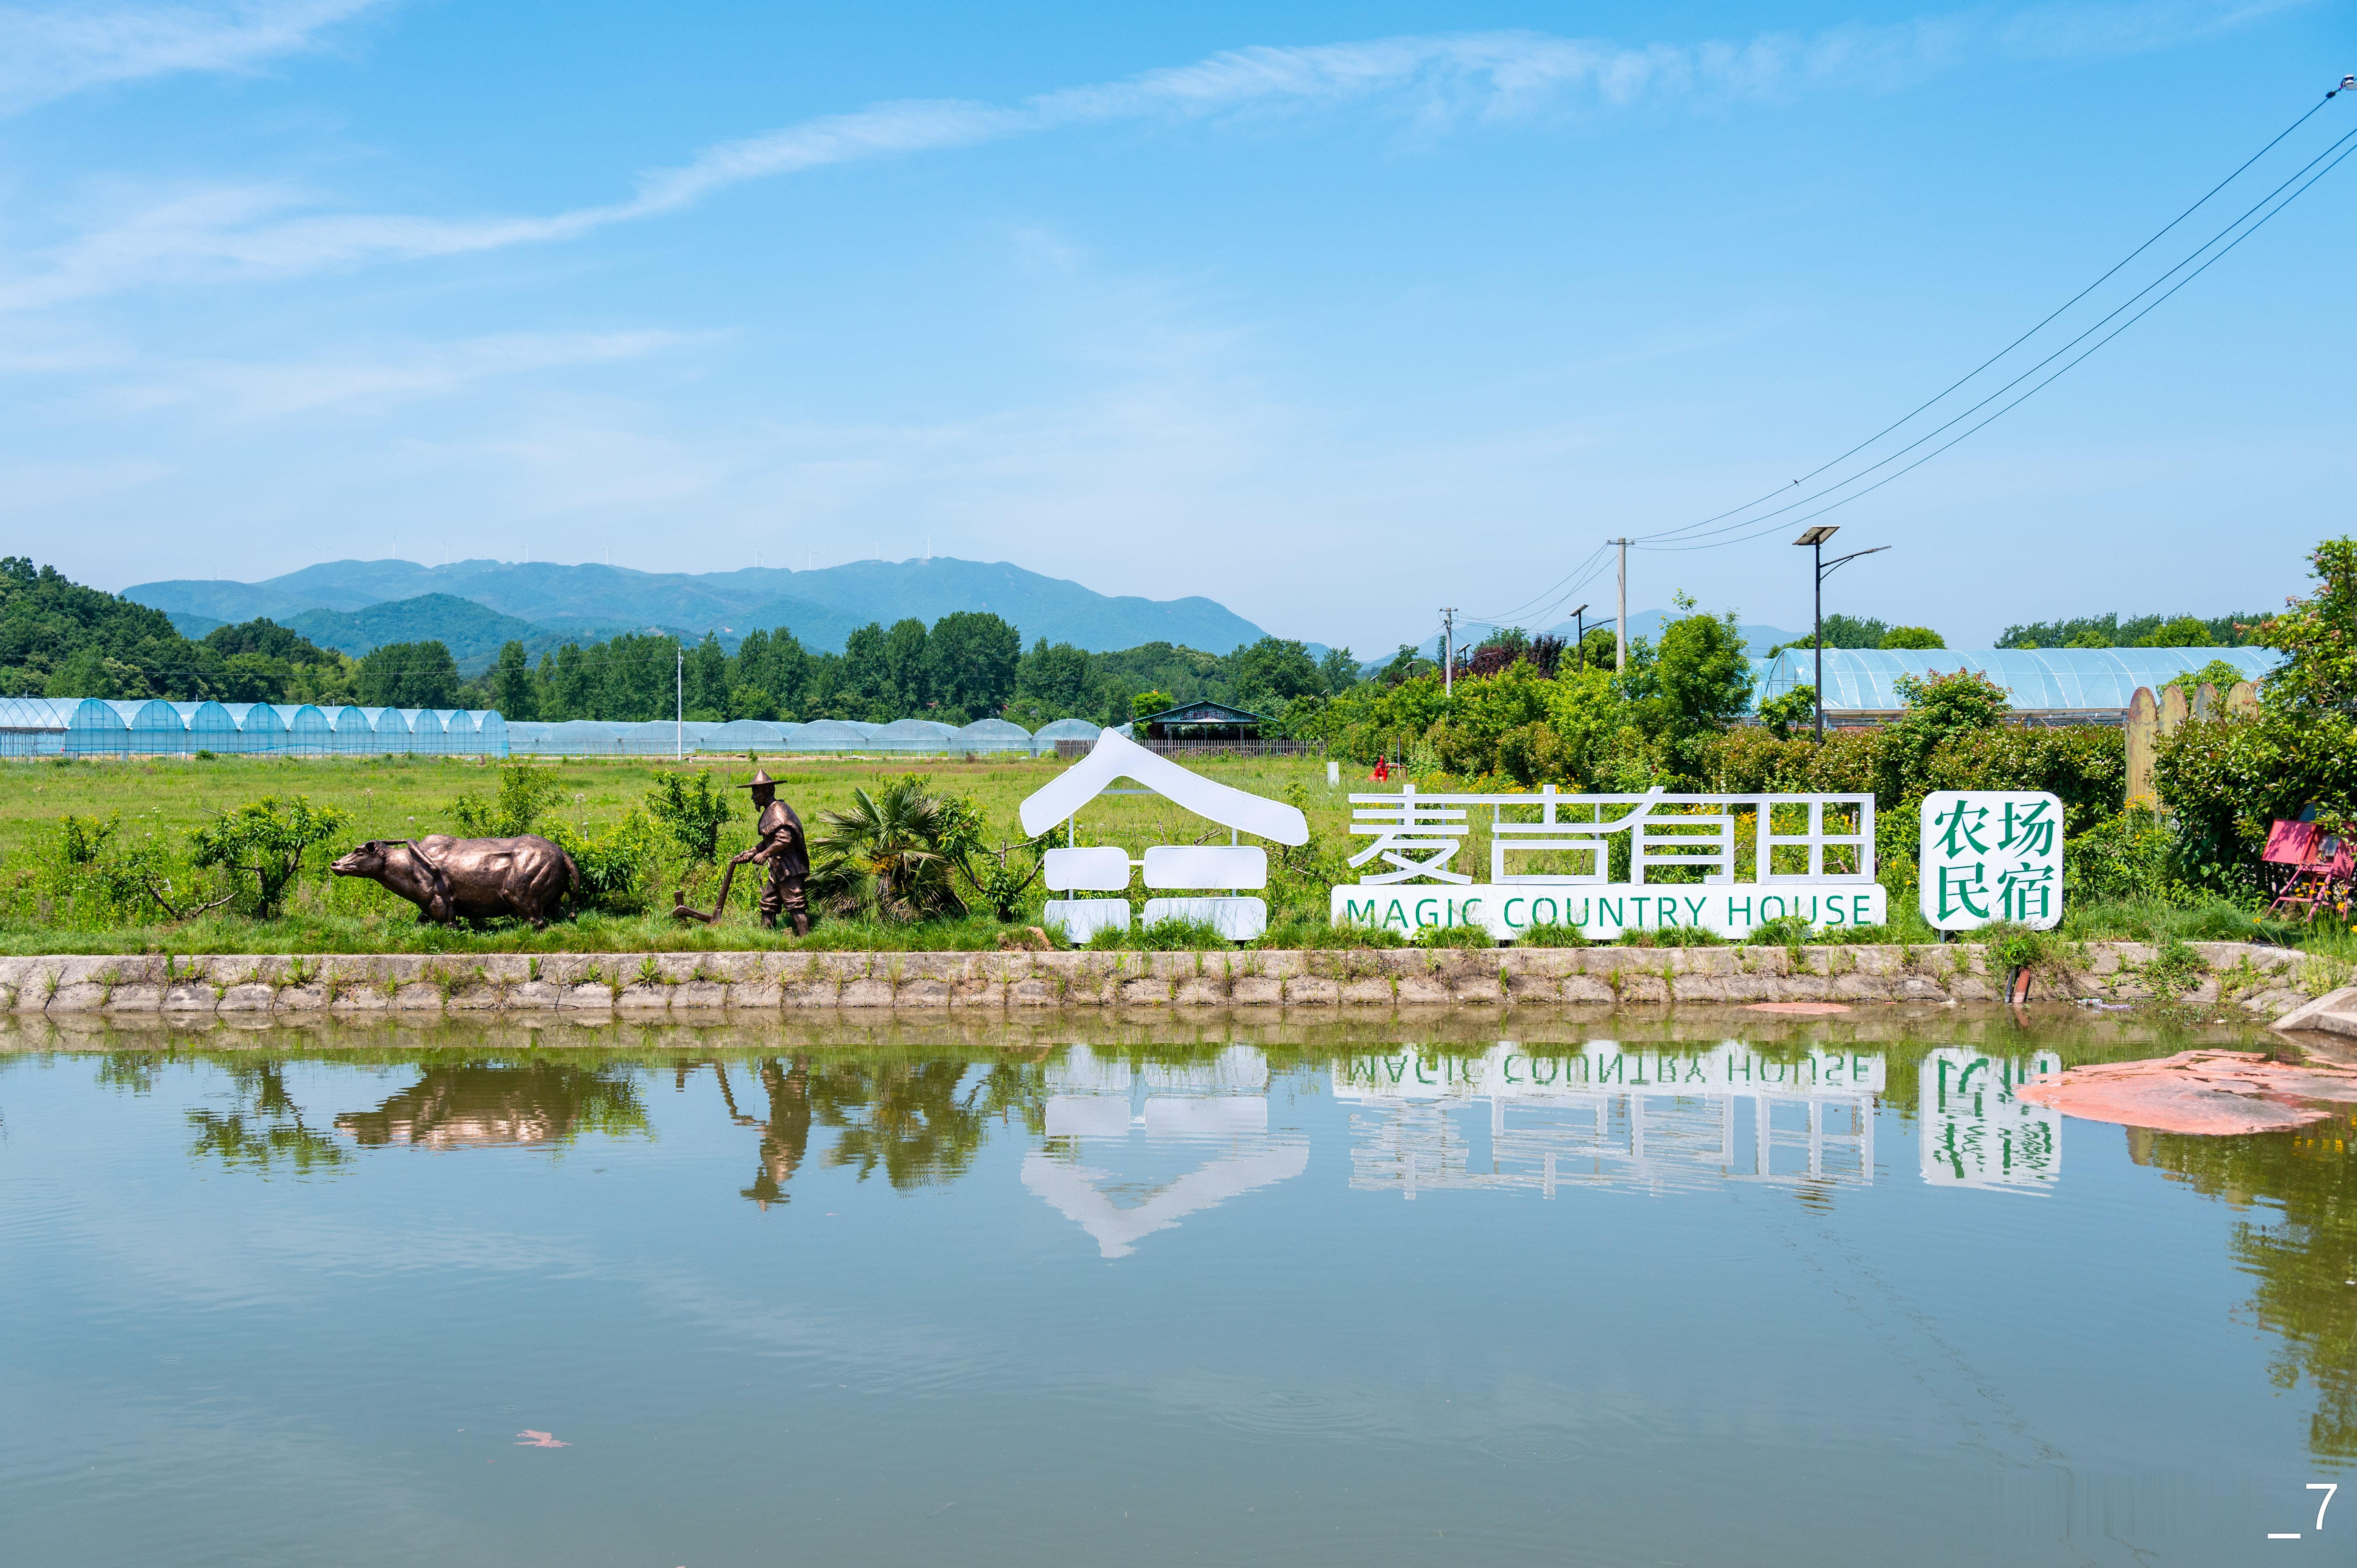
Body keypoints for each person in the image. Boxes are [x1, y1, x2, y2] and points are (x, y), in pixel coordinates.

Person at [731, 770, 810, 935]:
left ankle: (806, 940)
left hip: (789, 868)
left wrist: (765, 854)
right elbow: (770, 840)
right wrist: (753, 852)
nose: (753, 797)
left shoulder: (779, 811)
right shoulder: (771, 810)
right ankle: (765, 938)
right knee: (768, 903)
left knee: (795, 905)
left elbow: (784, 840)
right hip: (778, 868)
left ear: (765, 792)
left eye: (755, 792)